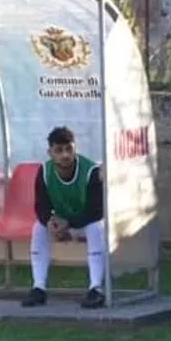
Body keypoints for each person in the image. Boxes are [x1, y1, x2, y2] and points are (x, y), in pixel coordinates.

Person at [23, 126, 106, 310]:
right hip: (63, 222)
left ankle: (96, 288)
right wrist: (50, 222)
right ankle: (38, 288)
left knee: (97, 228)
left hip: (85, 221)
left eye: (69, 148)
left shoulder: (90, 171)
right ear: (50, 153)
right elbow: (41, 205)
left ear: (75, 148)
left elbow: (97, 210)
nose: (65, 155)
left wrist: (69, 224)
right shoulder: (44, 172)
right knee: (39, 228)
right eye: (59, 150)